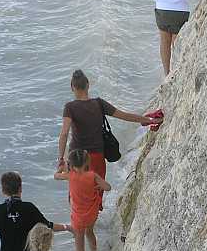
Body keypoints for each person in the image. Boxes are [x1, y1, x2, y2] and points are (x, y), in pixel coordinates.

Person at [57, 70, 157, 199]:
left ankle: (79, 219)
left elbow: (64, 133)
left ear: (72, 87)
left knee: (78, 195)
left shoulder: (69, 107)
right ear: (88, 85)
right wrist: (148, 120)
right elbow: (124, 115)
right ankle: (94, 217)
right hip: (97, 156)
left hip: (76, 158)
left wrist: (60, 158)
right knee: (96, 193)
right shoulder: (99, 103)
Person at [54, 149, 111, 251]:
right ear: (87, 162)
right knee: (90, 233)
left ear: (71, 164)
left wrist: (60, 167)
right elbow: (108, 187)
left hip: (78, 217)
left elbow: (55, 176)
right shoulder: (92, 175)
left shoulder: (69, 175)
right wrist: (98, 186)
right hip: (92, 213)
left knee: (79, 242)